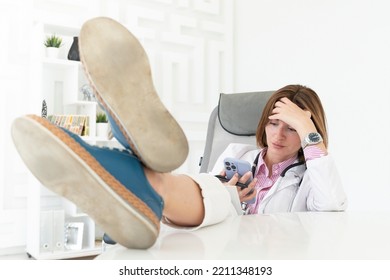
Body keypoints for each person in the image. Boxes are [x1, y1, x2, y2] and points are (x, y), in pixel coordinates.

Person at [11, 17, 347, 250]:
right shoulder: (238, 155)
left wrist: (309, 131)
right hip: (220, 236)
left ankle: (124, 158)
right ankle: (140, 171)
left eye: (292, 128)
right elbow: (208, 193)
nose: (279, 134)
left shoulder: (312, 176)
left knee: (196, 191)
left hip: (265, 254)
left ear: (308, 132)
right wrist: (231, 191)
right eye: (274, 122)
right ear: (263, 123)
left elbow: (332, 207)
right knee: (212, 190)